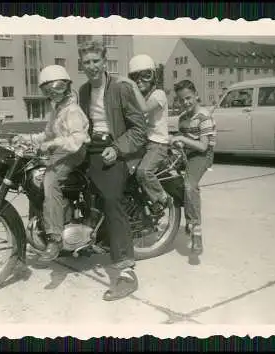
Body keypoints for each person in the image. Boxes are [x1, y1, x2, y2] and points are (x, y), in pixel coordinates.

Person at [77, 40, 147, 301]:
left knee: (110, 199)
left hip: (116, 149)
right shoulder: (83, 91)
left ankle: (126, 271)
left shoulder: (119, 88)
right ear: (81, 65)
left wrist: (117, 149)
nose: (92, 66)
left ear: (104, 62)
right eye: (87, 62)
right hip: (90, 147)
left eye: (96, 61)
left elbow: (140, 130)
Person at [13, 65, 91, 262]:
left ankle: (55, 239)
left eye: (58, 87)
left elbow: (76, 139)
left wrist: (52, 145)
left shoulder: (72, 110)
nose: (53, 93)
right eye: (47, 90)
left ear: (67, 86)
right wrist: (27, 139)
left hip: (74, 152)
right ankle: (40, 227)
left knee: (50, 181)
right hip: (61, 151)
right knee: (33, 178)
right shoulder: (57, 109)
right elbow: (48, 134)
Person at [119, 54, 172, 216]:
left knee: (144, 172)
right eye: (135, 77)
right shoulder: (139, 97)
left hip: (158, 144)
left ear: (153, 77)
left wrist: (131, 86)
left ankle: (163, 198)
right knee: (125, 173)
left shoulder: (159, 94)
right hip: (143, 143)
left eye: (145, 76)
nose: (140, 80)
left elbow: (144, 109)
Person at [169, 80, 217, 255]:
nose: (186, 103)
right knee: (164, 172)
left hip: (203, 156)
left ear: (196, 95)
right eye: (182, 100)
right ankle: (181, 208)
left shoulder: (204, 116)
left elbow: (203, 146)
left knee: (190, 185)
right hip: (188, 153)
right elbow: (184, 142)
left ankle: (196, 230)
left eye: (188, 98)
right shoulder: (182, 119)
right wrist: (176, 145)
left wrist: (181, 140)